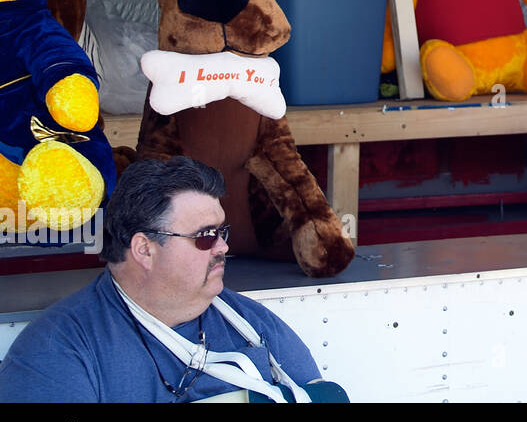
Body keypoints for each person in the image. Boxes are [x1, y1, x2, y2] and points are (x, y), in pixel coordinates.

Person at [0, 156, 326, 402]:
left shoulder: (253, 324)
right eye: (205, 236)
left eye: (222, 232)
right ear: (145, 249)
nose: (223, 247)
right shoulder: (59, 349)